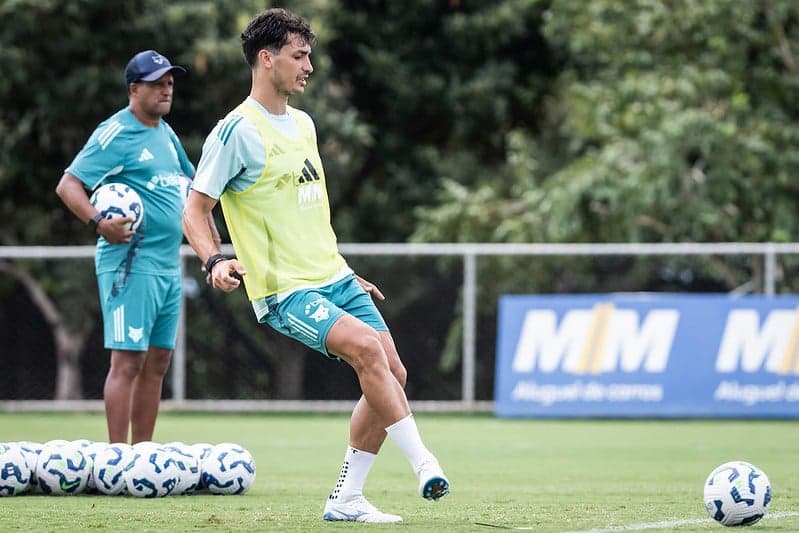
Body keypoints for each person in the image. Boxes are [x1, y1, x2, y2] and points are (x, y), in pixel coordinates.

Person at [182, 8, 450, 524]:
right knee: (370, 352)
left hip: (333, 277)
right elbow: (195, 208)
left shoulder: (303, 123)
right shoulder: (236, 130)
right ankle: (425, 465)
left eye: (310, 56)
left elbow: (307, 214)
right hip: (284, 290)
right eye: (299, 56)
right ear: (267, 58)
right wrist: (214, 258)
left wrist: (344, 270)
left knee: (394, 372)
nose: (309, 67)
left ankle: (347, 499)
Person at [55, 50, 211, 444]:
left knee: (158, 361)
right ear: (134, 88)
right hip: (129, 263)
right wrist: (98, 222)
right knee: (128, 361)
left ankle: (142, 455)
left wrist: (215, 251)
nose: (166, 89)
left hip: (167, 265)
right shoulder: (115, 132)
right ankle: (116, 457)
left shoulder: (166, 132)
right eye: (157, 83)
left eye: (170, 82)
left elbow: (194, 188)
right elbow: (68, 185)